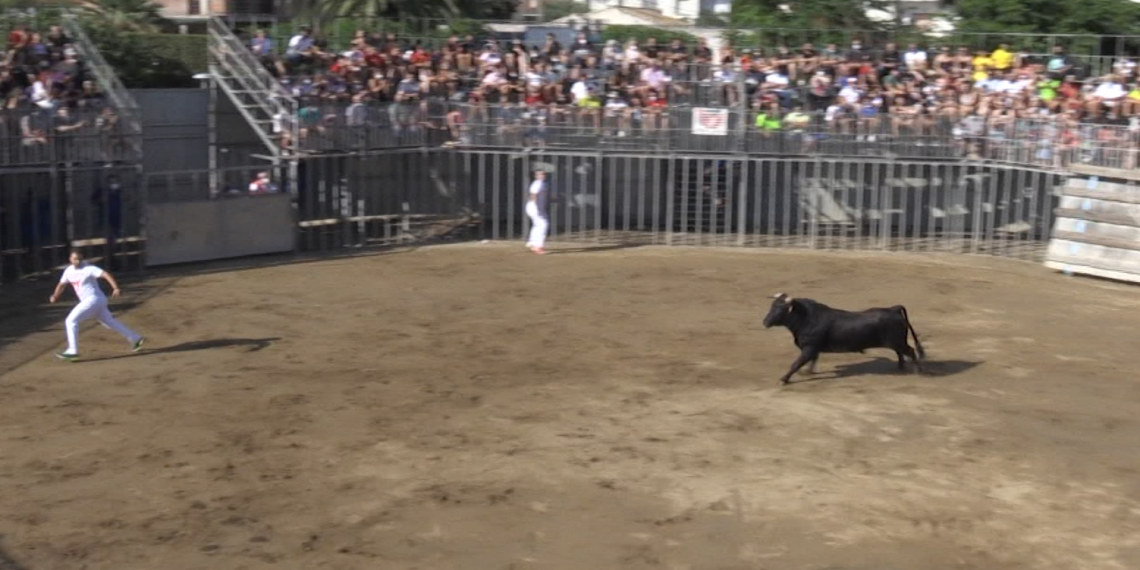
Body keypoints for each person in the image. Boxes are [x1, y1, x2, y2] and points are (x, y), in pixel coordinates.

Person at [49, 250, 144, 361]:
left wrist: (116, 288)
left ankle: (72, 350)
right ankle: (135, 338)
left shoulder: (89, 269)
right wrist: (55, 296)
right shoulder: (68, 271)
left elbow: (105, 274)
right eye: (75, 259)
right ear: (70, 259)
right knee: (109, 322)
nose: (78, 261)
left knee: (70, 321)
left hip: (93, 300)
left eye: (80, 258)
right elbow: (61, 284)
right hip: (97, 301)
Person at [525, 169, 549, 255]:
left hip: (535, 207)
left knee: (538, 225)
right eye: (539, 174)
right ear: (536, 176)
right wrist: (537, 209)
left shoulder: (541, 183)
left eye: (543, 174)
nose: (542, 176)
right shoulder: (538, 183)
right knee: (543, 224)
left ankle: (532, 242)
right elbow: (533, 195)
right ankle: (538, 246)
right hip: (535, 207)